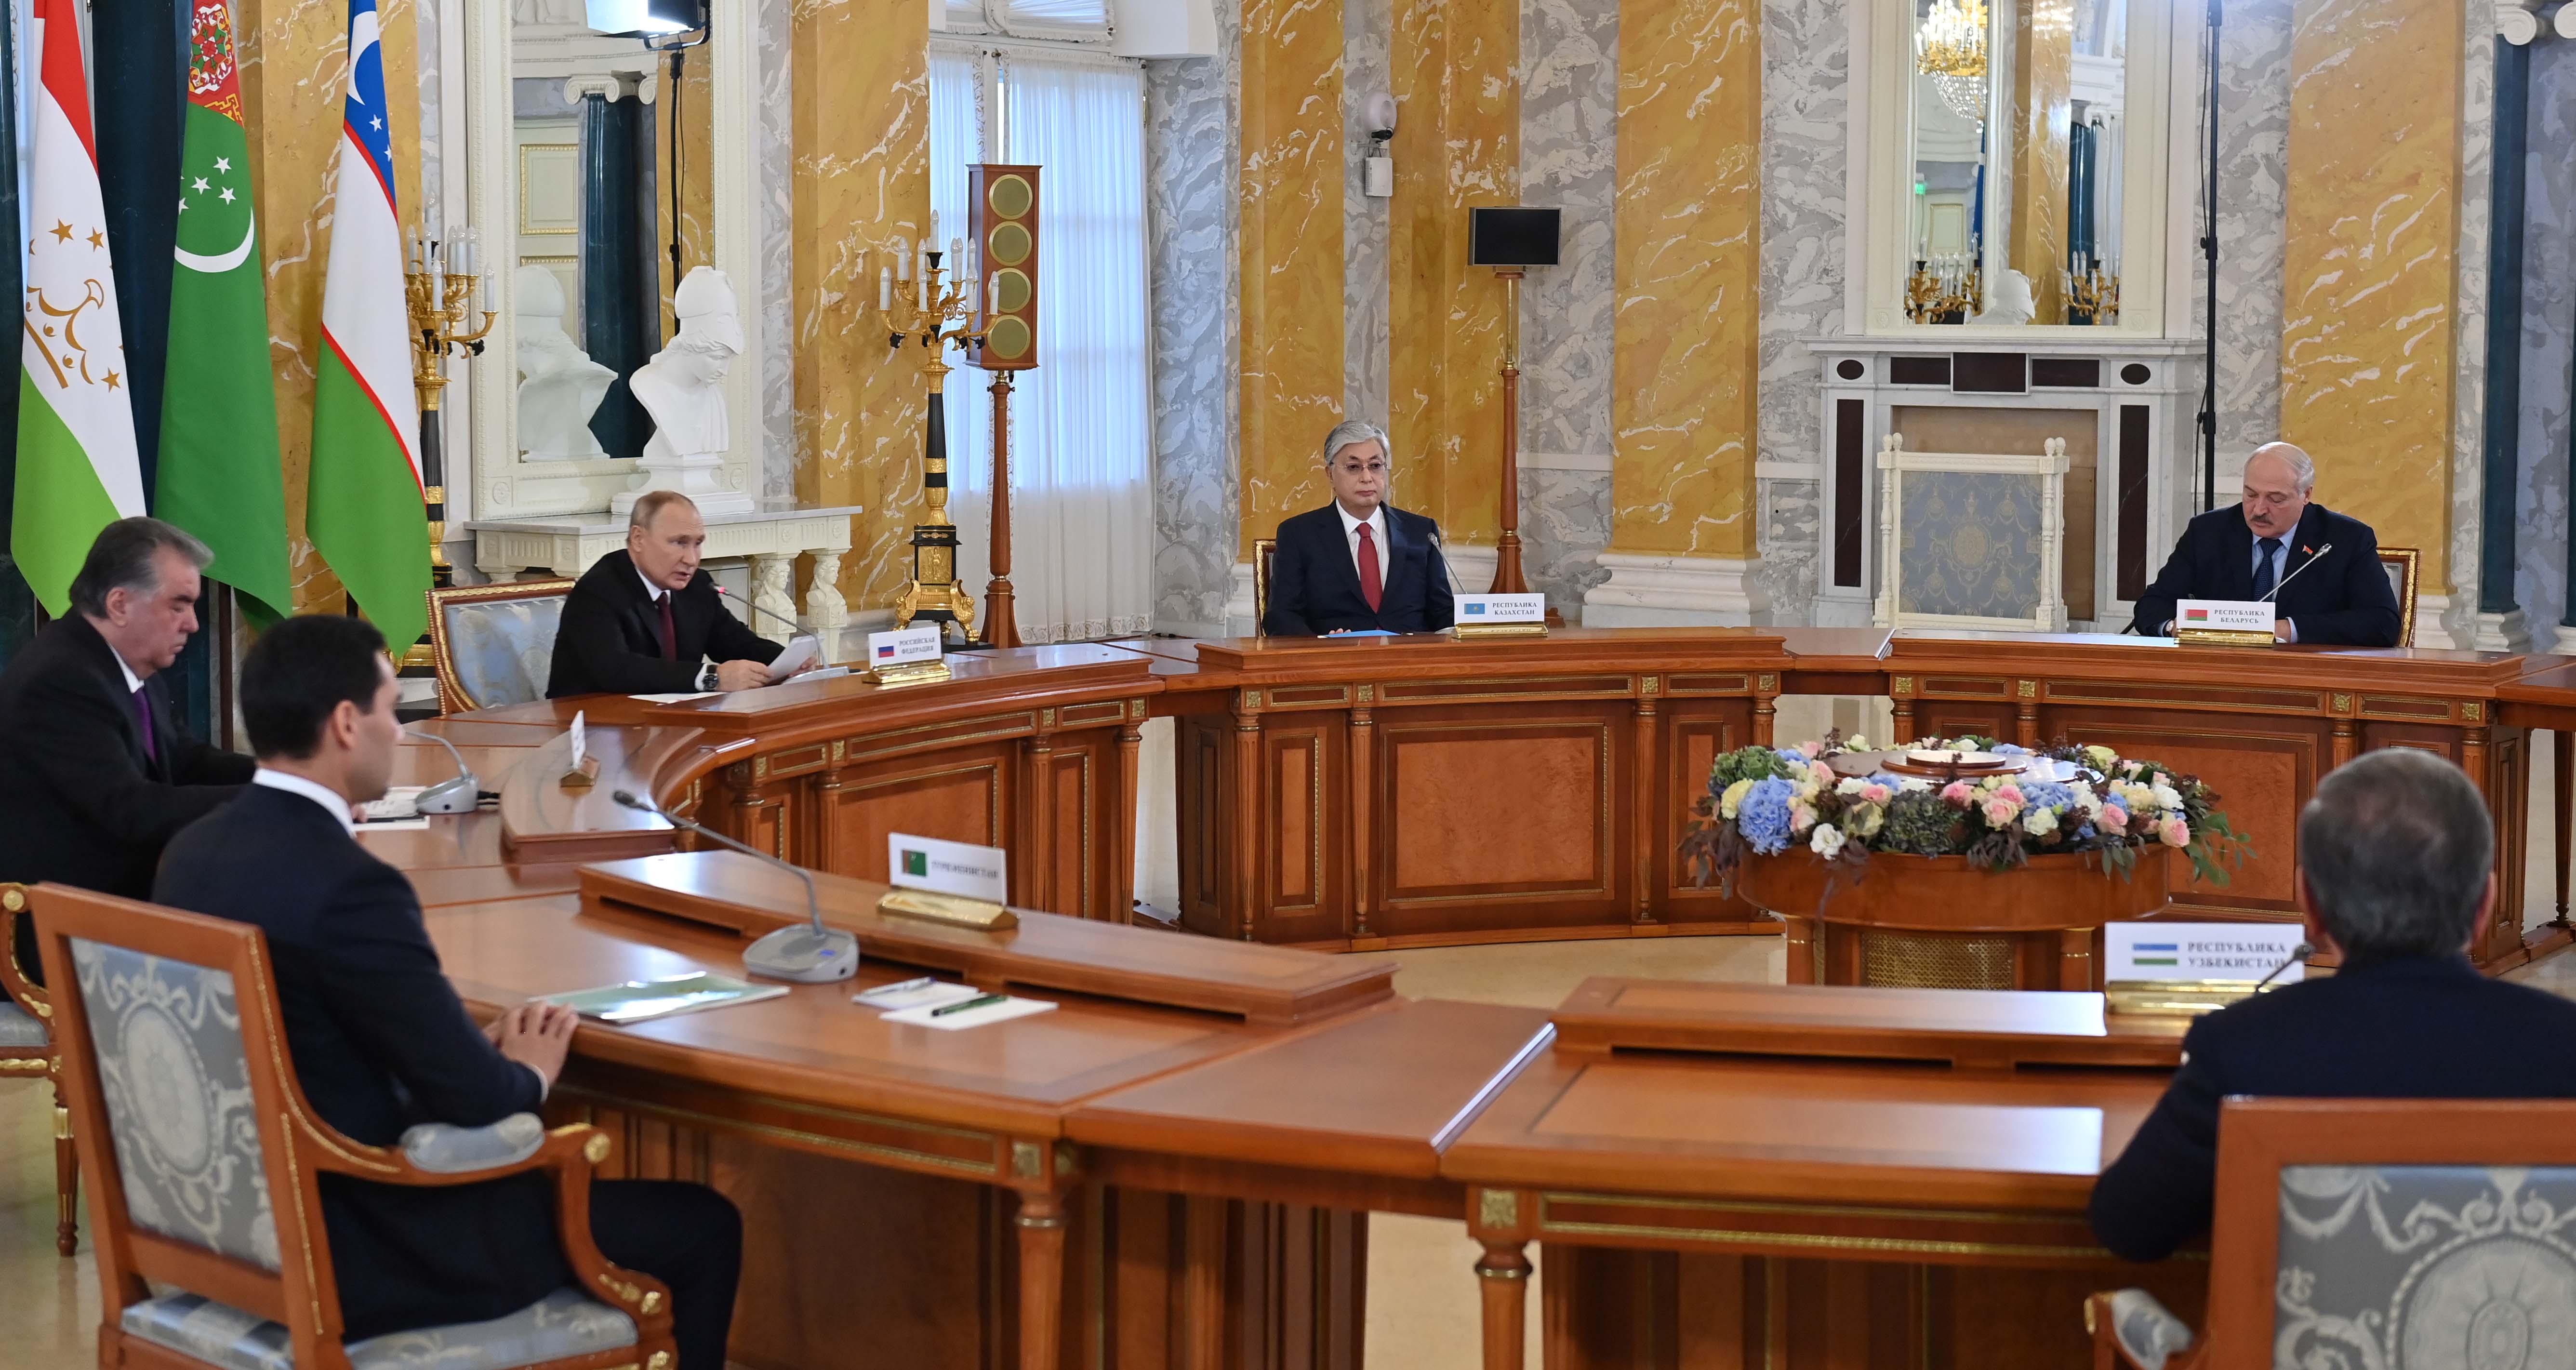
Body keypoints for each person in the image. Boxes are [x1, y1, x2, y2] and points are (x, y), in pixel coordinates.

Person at [155, 615, 741, 1367]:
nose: (398, 733)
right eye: (389, 710)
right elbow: (479, 1100)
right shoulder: (353, 886)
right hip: (372, 1250)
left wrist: (458, 1049)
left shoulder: (189, 851)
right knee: (702, 1224)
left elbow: (312, 1040)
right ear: (346, 724)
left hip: (225, 1231)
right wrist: (525, 1070)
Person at [2087, 748, 2576, 1263]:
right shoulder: (2563, 1045)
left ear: (2311, 904)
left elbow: (2127, 1226)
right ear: (2485, 904)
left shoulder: (2240, 1047)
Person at [0, 518, 252, 984]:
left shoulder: (117, 662)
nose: (193, 623)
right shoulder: (60, 680)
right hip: (62, 935)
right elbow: (130, 809)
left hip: (119, 907)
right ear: (119, 604)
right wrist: (276, 798)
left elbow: (186, 759)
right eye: (179, 605)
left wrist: (288, 775)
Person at [2128, 442, 2402, 646]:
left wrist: (2285, 629)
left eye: (2276, 499)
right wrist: (2175, 627)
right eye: (2251, 495)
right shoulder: (2208, 532)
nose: (2259, 510)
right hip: (2218, 672)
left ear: (2306, 495)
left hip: (2306, 678)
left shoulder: (2345, 539)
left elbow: (2383, 623)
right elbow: (2152, 605)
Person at [546, 490, 791, 696]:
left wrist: (790, 662)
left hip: (669, 720)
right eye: (679, 543)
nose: (691, 559)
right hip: (592, 724)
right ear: (638, 538)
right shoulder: (598, 590)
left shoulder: (697, 586)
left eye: (698, 543)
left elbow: (737, 644)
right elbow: (616, 670)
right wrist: (712, 677)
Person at [1261, 419, 1459, 636]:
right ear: (1330, 475)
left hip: (1408, 655)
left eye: (1375, 466)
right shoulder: (1299, 535)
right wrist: (1320, 646)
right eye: (1354, 467)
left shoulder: (1421, 532)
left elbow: (1443, 613)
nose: (1367, 478)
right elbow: (1281, 617)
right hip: (1335, 656)